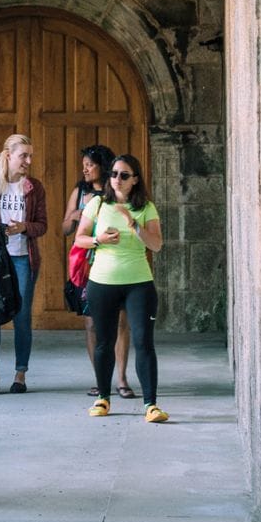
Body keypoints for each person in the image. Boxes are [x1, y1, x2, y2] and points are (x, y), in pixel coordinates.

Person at [73, 153, 168, 422]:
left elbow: (157, 245)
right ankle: (103, 398)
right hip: (102, 283)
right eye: (114, 174)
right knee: (104, 342)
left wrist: (133, 224)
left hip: (138, 283)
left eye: (124, 175)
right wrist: (98, 239)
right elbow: (79, 239)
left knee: (143, 342)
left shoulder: (146, 207)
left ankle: (151, 405)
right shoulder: (98, 204)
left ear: (135, 180)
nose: (117, 179)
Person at [0, 134, 47, 394]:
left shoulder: (34, 187)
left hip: (24, 258)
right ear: (8, 156)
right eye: (24, 155)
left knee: (22, 317)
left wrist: (24, 227)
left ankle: (20, 375)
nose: (28, 160)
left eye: (30, 156)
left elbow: (42, 226)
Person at [61, 144, 136, 399]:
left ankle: (122, 379)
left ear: (102, 167)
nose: (85, 168)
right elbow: (65, 229)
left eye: (90, 164)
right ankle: (100, 379)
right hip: (88, 265)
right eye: (84, 164)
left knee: (121, 322)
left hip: (117, 262)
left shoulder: (113, 191)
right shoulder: (79, 191)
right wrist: (76, 214)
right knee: (92, 324)